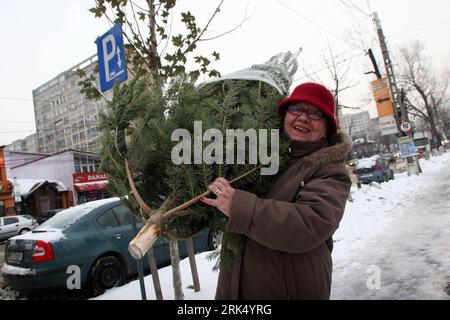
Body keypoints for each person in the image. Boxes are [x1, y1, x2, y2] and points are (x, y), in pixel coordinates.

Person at [200, 82, 353, 299]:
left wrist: (238, 205)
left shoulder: (330, 171)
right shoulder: (262, 158)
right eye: (296, 109)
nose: (303, 117)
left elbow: (309, 224)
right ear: (285, 116)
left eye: (315, 113)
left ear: (327, 128)